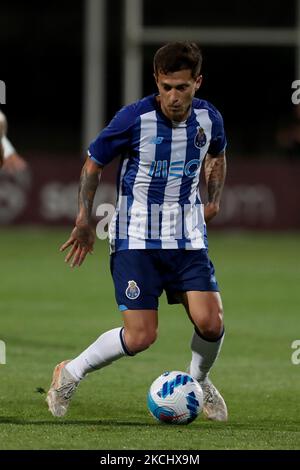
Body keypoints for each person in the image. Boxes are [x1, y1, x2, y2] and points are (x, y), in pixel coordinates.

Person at [46, 41, 228, 421]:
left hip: (187, 239)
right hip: (136, 238)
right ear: (156, 83)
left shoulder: (210, 119)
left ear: (198, 82)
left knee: (211, 323)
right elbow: (93, 165)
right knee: (142, 337)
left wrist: (213, 199)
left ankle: (197, 381)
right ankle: (70, 372)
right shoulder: (133, 119)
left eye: (182, 87)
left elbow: (217, 154)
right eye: (166, 87)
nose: (174, 97)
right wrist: (83, 219)